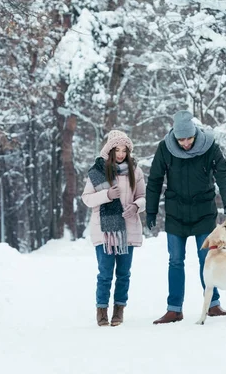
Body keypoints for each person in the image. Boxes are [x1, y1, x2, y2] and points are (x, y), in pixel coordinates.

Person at [146, 110, 226, 324]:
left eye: (189, 138)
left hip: (203, 212)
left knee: (206, 259)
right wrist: (151, 210)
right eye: (181, 139)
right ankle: (174, 309)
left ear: (195, 134)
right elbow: (155, 180)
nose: (186, 143)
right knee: (175, 261)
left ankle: (213, 305)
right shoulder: (165, 148)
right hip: (175, 213)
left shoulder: (209, 147)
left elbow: (224, 175)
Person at [82, 130, 146, 327]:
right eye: (116, 150)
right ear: (109, 150)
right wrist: (107, 195)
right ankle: (102, 310)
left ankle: (119, 310)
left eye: (124, 150)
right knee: (105, 273)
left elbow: (144, 197)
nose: (120, 154)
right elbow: (86, 199)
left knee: (124, 273)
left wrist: (136, 206)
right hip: (104, 230)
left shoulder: (136, 171)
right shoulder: (97, 171)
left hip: (128, 228)